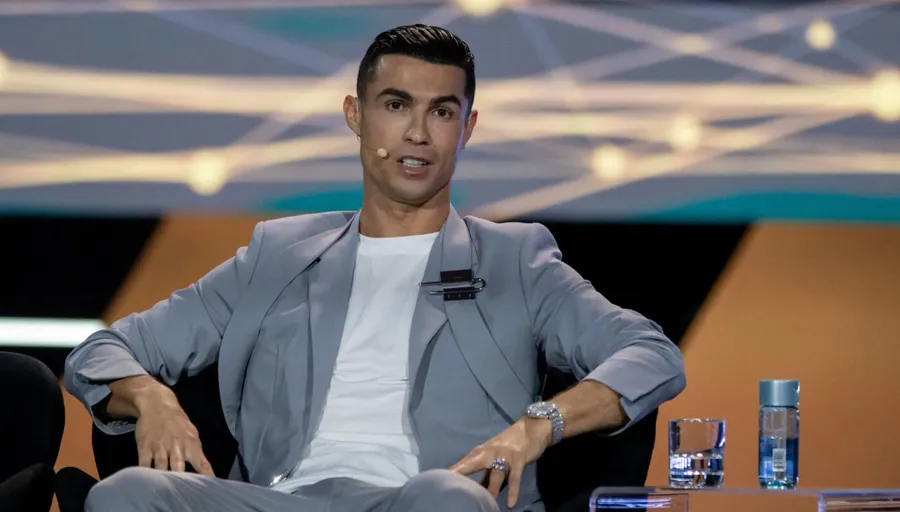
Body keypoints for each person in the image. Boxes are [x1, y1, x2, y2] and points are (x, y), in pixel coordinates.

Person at [65, 24, 686, 512]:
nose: (418, 133)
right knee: (124, 495)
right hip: (277, 500)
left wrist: (539, 425)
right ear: (356, 115)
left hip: (431, 496)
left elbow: (651, 354)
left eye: (442, 111)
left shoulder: (516, 258)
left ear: (467, 128)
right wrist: (150, 397)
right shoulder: (278, 253)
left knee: (444, 497)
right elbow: (99, 352)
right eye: (396, 104)